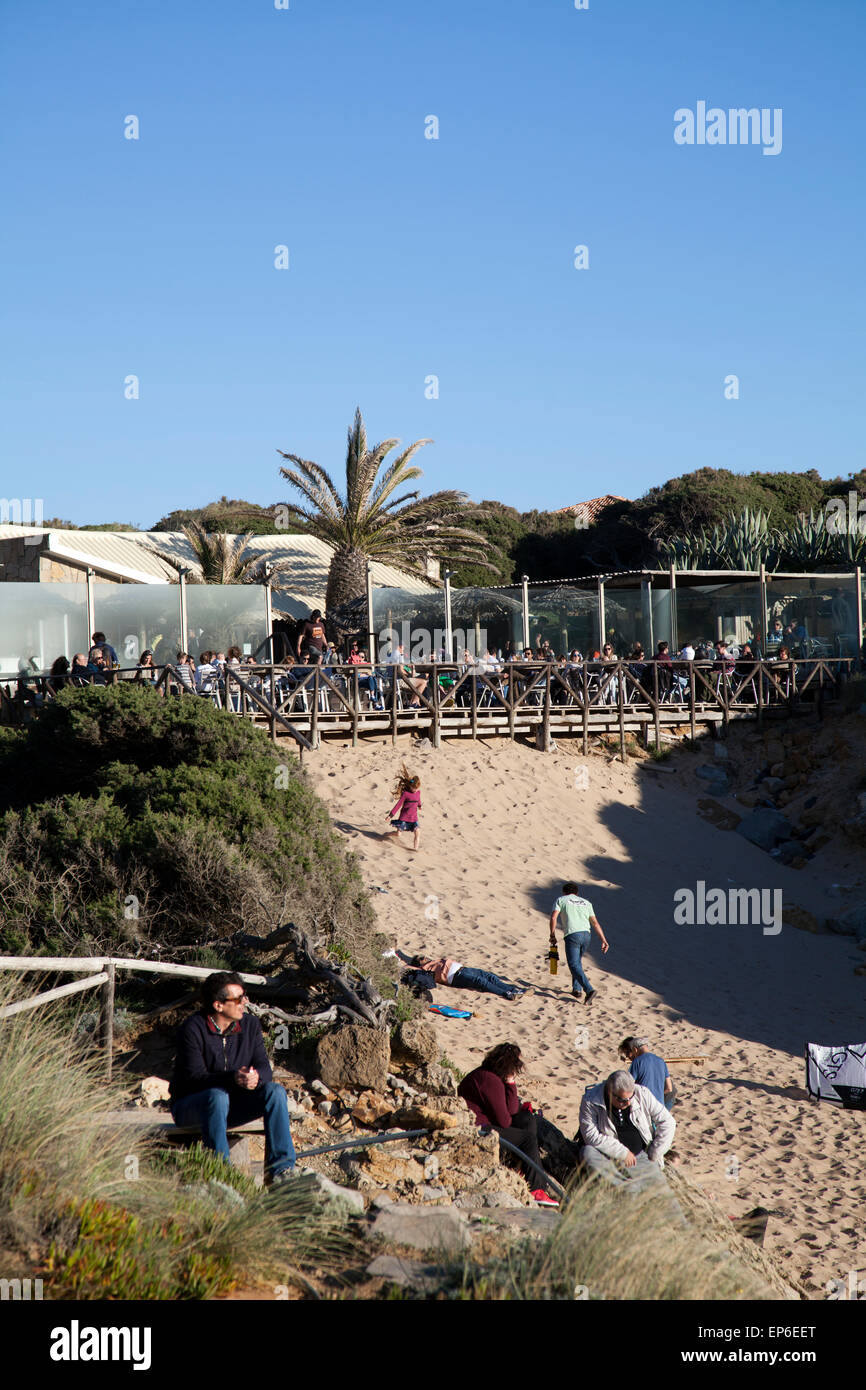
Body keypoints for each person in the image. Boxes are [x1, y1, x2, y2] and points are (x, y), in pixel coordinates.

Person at [169, 971, 296, 1185]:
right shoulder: (193, 1029)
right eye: (237, 999)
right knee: (216, 1096)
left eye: (244, 996)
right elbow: (194, 1078)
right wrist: (233, 1079)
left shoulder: (251, 1025)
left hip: (231, 1106)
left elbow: (264, 1067)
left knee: (275, 1091)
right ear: (218, 1005)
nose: (244, 1002)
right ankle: (222, 1174)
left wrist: (256, 1078)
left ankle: (280, 1172)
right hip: (191, 1106)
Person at [457, 1043, 558, 1206]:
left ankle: (520, 1167)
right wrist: (509, 1083)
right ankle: (537, 1189)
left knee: (527, 1119)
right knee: (528, 1139)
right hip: (478, 1129)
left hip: (485, 1122)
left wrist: (510, 1084)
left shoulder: (490, 1076)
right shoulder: (490, 1080)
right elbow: (504, 1120)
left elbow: (512, 1111)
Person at [577, 1069, 675, 1187]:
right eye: (622, 1100)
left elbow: (668, 1122)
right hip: (608, 1156)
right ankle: (625, 1189)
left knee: (666, 1198)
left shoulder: (641, 1093)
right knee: (588, 1153)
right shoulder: (591, 1100)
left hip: (642, 1156)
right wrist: (623, 1153)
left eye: (630, 1097)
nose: (628, 1103)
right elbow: (590, 1135)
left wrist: (655, 1152)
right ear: (610, 1092)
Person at [549, 881, 609, 1003]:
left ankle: (589, 990)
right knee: (577, 962)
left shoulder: (561, 899)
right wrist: (603, 939)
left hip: (572, 935)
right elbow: (595, 923)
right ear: (577, 893)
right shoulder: (586, 903)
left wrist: (552, 934)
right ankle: (577, 990)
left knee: (573, 964)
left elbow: (554, 917)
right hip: (587, 935)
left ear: (564, 892)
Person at [406, 952, 522, 1001]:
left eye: (423, 956)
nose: (424, 957)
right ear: (418, 964)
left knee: (489, 976)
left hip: (464, 969)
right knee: (481, 982)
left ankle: (512, 989)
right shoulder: (423, 969)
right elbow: (407, 967)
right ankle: (507, 994)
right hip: (455, 977)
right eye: (421, 958)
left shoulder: (434, 961)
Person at [619, 1036, 675, 1110]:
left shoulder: (637, 1062)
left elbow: (629, 1086)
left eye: (627, 1052)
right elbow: (669, 1088)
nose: (627, 1056)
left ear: (635, 1049)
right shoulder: (661, 1061)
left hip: (646, 1105)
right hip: (660, 1105)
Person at [384, 763, 422, 851]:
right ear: (410, 786)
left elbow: (418, 800)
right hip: (404, 818)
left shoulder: (418, 793)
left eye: (416, 788)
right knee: (398, 834)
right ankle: (387, 834)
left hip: (413, 818)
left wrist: (419, 805)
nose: (415, 790)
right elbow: (398, 805)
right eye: (413, 788)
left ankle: (415, 849)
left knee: (417, 832)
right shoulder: (406, 794)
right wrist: (390, 815)